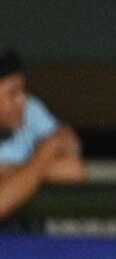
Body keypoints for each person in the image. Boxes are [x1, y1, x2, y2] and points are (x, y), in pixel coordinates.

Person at [0, 48, 86, 221]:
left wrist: (13, 173)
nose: (23, 100)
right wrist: (47, 152)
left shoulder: (30, 109)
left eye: (23, 91)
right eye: (12, 93)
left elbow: (75, 170)